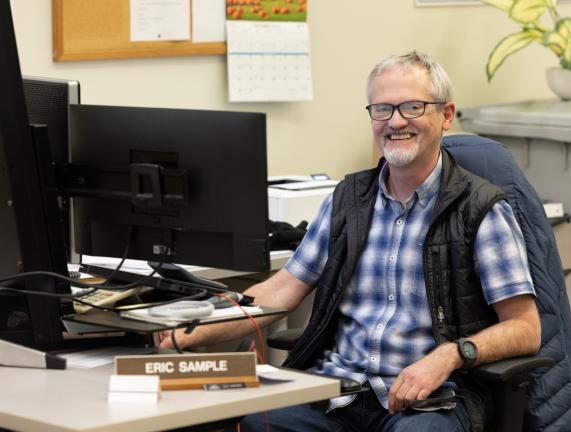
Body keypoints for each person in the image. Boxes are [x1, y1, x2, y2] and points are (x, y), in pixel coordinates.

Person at [159, 51, 541, 432]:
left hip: (430, 400)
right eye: (382, 109)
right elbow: (282, 289)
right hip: (338, 393)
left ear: (445, 115)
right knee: (256, 424)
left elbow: (526, 328)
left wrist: (450, 355)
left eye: (412, 107)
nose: (395, 122)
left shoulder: (480, 210)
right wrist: (189, 330)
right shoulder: (347, 201)